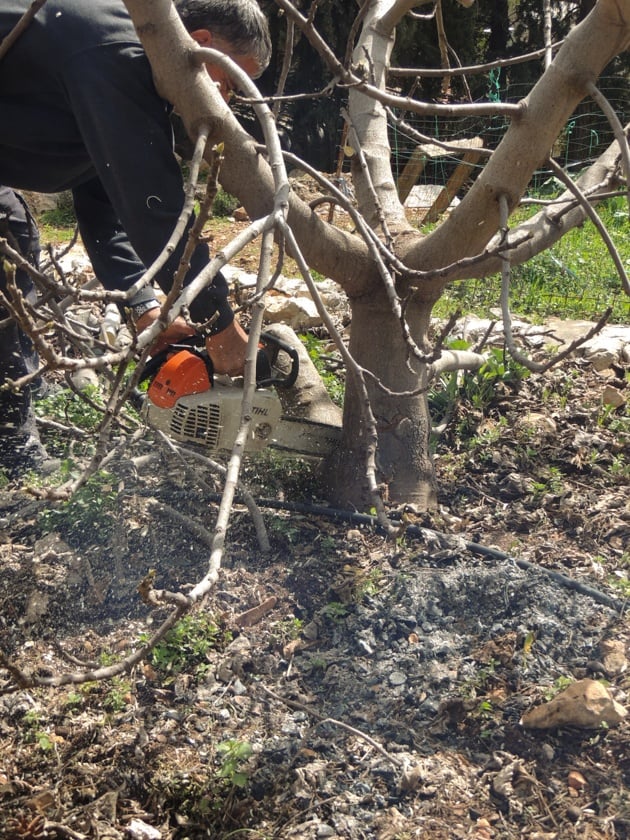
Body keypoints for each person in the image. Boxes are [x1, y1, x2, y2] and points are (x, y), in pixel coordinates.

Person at [0, 0, 271, 476]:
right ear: (201, 45)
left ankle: (20, 379)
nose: (223, 103)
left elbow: (103, 200)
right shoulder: (115, 54)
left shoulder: (134, 73)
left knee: (14, 233)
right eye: (227, 83)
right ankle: (11, 440)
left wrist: (146, 306)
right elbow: (155, 206)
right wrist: (220, 325)